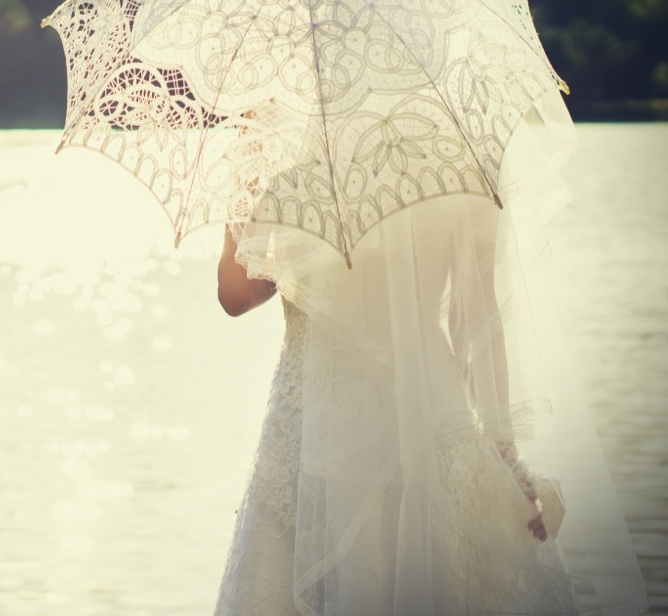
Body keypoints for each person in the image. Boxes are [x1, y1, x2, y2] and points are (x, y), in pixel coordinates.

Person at [209, 91, 647, 616]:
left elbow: (238, 296)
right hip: (433, 419)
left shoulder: (292, 149)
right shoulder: (461, 139)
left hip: (314, 431)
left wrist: (246, 168)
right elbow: (476, 319)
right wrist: (505, 457)